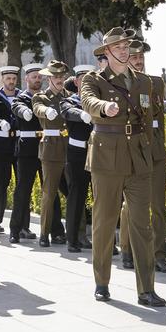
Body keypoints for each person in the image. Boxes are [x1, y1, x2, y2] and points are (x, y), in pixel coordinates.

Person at [81, 27, 166, 307]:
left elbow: (150, 120)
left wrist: (149, 152)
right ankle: (102, 282)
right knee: (104, 222)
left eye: (126, 45)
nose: (123, 49)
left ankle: (146, 289)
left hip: (138, 158)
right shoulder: (95, 80)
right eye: (117, 46)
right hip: (107, 157)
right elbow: (88, 101)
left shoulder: (143, 82)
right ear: (106, 52)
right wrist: (104, 107)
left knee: (142, 225)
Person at [119, 40, 166, 273]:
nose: (139, 61)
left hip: (155, 151)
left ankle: (159, 255)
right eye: (133, 57)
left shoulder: (156, 83)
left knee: (158, 205)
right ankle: (127, 250)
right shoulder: (119, 85)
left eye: (141, 57)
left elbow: (158, 118)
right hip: (132, 150)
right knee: (131, 206)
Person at [32, 60, 69, 247]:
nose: (59, 79)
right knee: (49, 192)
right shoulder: (41, 97)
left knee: (75, 192)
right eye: (56, 76)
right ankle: (44, 233)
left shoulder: (70, 96)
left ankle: (77, 234)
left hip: (70, 147)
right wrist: (46, 111)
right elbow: (37, 109)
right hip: (51, 147)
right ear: (48, 78)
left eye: (62, 76)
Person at [9, 63, 45, 243]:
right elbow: (18, 110)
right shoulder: (21, 98)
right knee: (23, 191)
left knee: (49, 191)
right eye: (34, 77)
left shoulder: (46, 97)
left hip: (46, 147)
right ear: (27, 79)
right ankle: (15, 229)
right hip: (27, 149)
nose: (37, 80)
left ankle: (53, 230)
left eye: (39, 77)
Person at [60, 68, 95, 252]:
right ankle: (72, 239)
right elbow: (67, 112)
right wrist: (82, 114)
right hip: (78, 154)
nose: (87, 82)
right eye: (83, 79)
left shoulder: (100, 101)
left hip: (98, 153)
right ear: (77, 82)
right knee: (76, 196)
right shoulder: (69, 101)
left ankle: (105, 242)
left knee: (101, 197)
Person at [0, 66, 20, 238]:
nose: (11, 81)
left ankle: (21, 225)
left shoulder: (21, 96)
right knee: (1, 184)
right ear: (2, 79)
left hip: (18, 141)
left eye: (13, 79)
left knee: (21, 184)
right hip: (1, 143)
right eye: (8, 78)